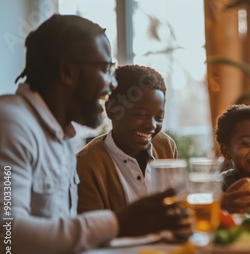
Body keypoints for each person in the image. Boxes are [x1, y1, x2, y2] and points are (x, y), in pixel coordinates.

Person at [0, 14, 188, 254]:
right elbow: (6, 243)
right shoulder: (10, 123)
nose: (113, 84)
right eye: (105, 69)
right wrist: (119, 223)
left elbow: (61, 243)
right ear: (68, 72)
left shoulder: (59, 137)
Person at [76, 64, 178, 213]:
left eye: (159, 118)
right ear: (111, 109)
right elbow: (92, 232)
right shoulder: (85, 166)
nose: (151, 125)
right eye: (140, 115)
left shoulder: (166, 146)